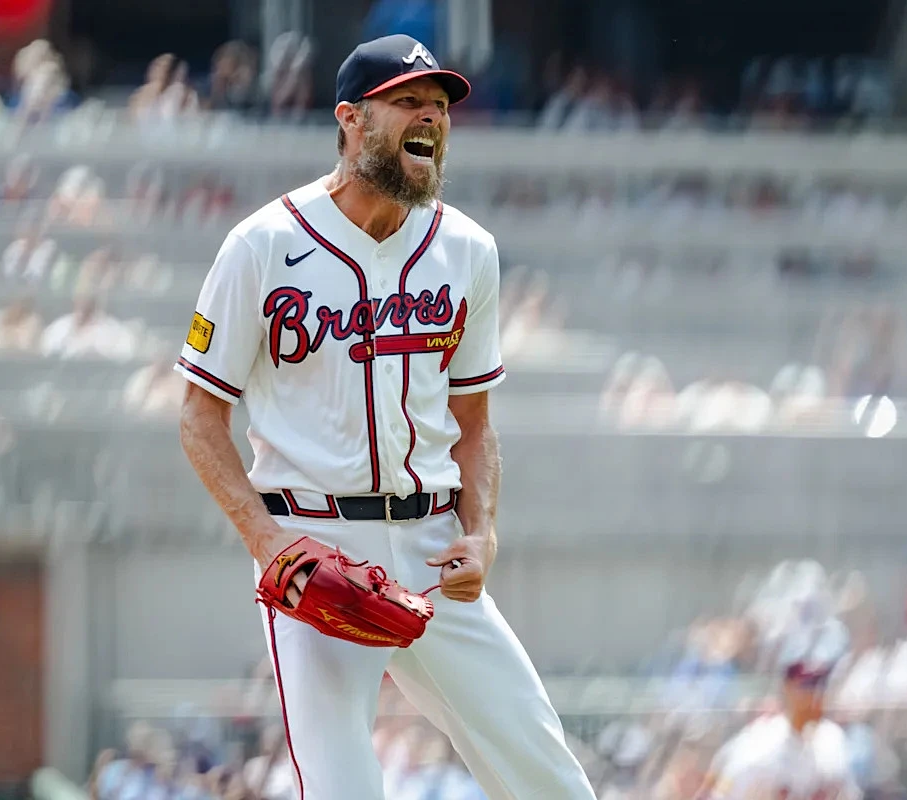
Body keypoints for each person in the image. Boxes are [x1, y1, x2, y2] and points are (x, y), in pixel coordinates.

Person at [176, 34, 596, 800]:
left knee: (549, 779)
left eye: (440, 105)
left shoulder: (467, 248)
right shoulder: (262, 245)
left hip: (434, 546)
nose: (431, 117)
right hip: (315, 544)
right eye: (408, 102)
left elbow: (475, 421)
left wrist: (481, 531)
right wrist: (268, 544)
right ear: (351, 120)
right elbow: (199, 416)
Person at [693, 616, 860, 800]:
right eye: (808, 683)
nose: (816, 694)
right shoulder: (755, 745)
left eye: (822, 682)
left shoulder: (834, 741)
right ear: (786, 687)